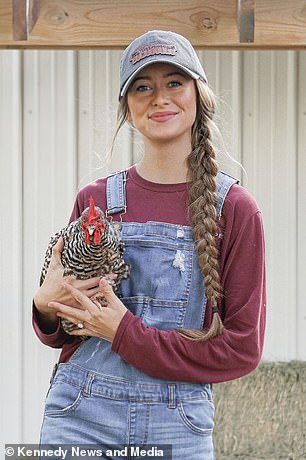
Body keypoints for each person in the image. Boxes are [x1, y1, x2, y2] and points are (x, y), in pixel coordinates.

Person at [33, 30, 266, 459]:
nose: (160, 98)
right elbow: (66, 330)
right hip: (82, 417)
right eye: (143, 86)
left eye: (174, 82)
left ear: (199, 95)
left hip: (177, 424)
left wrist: (126, 333)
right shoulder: (96, 201)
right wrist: (46, 308)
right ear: (128, 108)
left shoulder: (234, 209)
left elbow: (241, 350)